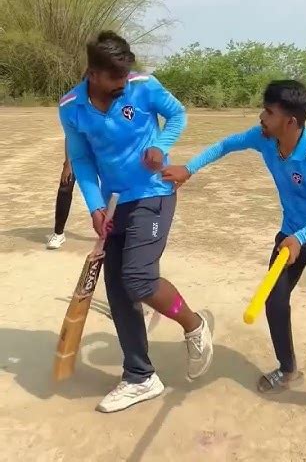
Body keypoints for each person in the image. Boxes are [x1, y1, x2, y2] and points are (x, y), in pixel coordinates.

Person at [162, 80, 306, 433]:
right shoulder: (264, 137)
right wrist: (190, 168)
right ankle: (287, 366)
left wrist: (302, 237)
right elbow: (226, 144)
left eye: (269, 112)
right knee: (274, 301)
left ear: (290, 121)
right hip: (290, 234)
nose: (262, 117)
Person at [58, 30, 213, 413]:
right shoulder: (71, 107)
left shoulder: (143, 86)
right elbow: (81, 159)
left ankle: (194, 326)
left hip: (154, 193)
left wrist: (161, 145)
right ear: (93, 73)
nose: (123, 83)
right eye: (115, 78)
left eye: (126, 75)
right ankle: (140, 377)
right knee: (119, 290)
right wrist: (94, 206)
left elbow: (177, 114)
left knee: (139, 279)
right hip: (113, 202)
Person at [46, 139, 75, 249]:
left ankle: (113, 233)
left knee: (111, 189)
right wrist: (67, 164)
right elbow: (70, 136)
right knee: (65, 187)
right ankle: (58, 234)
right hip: (78, 156)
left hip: (101, 154)